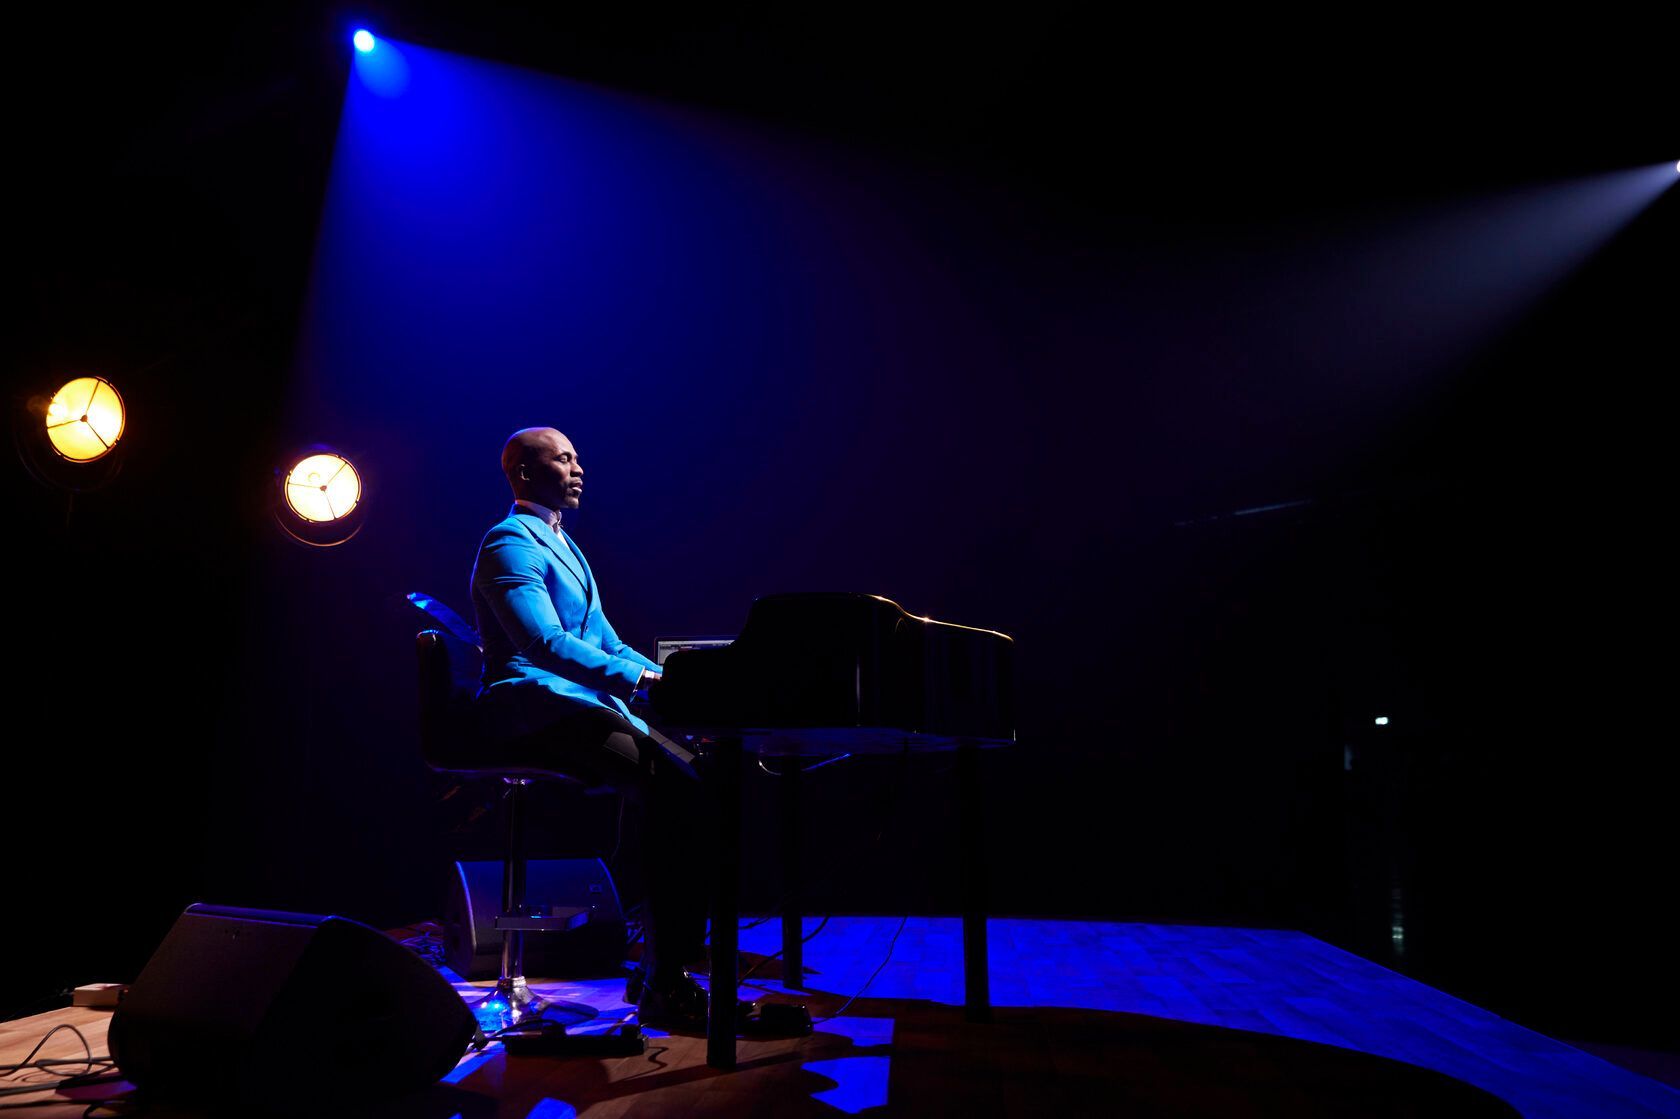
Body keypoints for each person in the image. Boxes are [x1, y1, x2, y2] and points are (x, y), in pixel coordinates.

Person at [469, 426, 710, 1027]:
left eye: (578, 458)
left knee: (693, 772)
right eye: (564, 458)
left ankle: (659, 960)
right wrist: (645, 685)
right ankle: (666, 975)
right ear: (525, 473)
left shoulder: (565, 545)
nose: (579, 468)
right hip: (532, 708)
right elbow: (543, 644)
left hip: (576, 704)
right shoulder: (508, 542)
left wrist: (664, 676)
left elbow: (606, 640)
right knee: (672, 784)